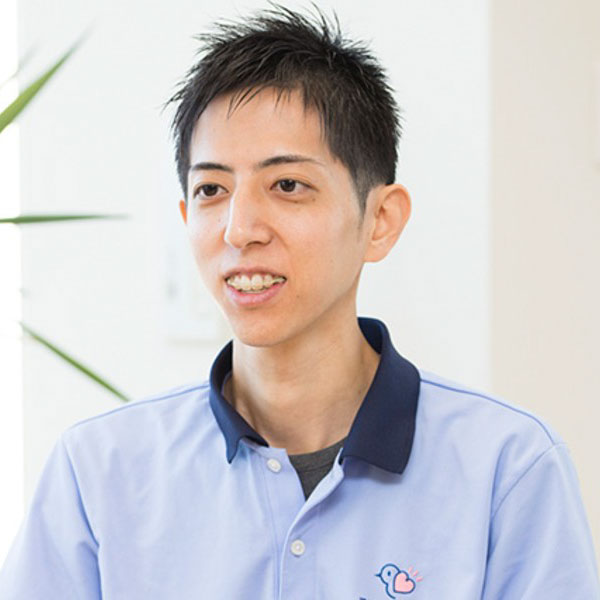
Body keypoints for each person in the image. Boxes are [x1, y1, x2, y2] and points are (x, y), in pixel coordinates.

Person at [1, 5, 599, 599]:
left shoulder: (508, 469)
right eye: (211, 190)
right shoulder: (98, 472)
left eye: (287, 185)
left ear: (380, 220)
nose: (239, 229)